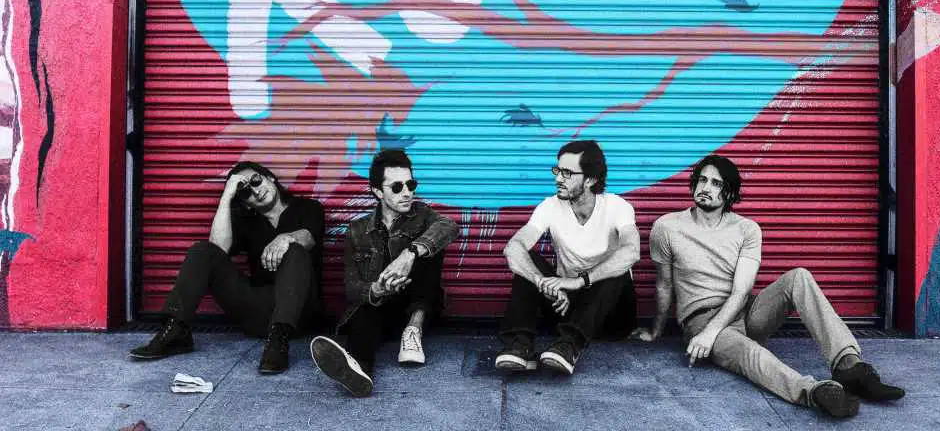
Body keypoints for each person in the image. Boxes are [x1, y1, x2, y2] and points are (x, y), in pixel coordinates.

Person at [634, 154, 904, 419]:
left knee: (799, 277)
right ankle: (813, 391)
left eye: (716, 183)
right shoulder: (667, 227)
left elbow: (741, 291)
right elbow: (664, 285)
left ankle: (849, 366)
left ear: (730, 194)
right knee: (751, 355)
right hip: (701, 320)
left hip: (744, 311)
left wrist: (712, 333)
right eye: (702, 180)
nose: (705, 188)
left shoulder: (747, 229)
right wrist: (657, 331)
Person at [130, 160, 325, 374]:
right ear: (246, 204)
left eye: (256, 181)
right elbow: (216, 252)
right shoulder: (247, 222)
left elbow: (308, 237)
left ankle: (279, 340)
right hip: (257, 311)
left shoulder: (308, 207)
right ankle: (176, 330)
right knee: (202, 250)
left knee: (295, 249)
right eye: (246, 193)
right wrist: (227, 196)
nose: (256, 192)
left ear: (270, 178)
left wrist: (286, 238)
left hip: (298, 313)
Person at [309, 149, 461, 397]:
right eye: (397, 187)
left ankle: (412, 332)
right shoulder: (357, 230)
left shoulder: (423, 215)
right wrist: (377, 289)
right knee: (363, 312)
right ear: (378, 191)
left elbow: (449, 227)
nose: (407, 192)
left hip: (416, 305)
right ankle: (358, 370)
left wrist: (410, 253)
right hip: (381, 309)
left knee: (429, 249)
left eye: (411, 184)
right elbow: (351, 288)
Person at [495, 139, 640, 376]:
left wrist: (578, 281)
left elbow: (632, 251)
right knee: (527, 258)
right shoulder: (550, 206)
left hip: (611, 316)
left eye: (568, 173)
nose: (558, 179)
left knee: (619, 268)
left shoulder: (617, 207)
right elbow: (514, 248)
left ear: (590, 179)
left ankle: (569, 346)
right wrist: (542, 283)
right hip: (567, 307)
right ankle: (520, 346)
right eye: (558, 170)